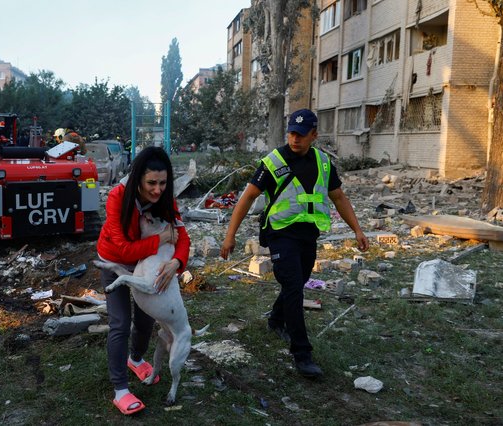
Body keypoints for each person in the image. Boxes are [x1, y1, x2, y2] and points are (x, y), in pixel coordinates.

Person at [220, 108, 369, 378]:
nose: (294, 139)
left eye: (300, 134)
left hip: (308, 235)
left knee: (296, 283)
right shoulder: (274, 161)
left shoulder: (323, 163)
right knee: (293, 287)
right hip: (280, 234)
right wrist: (230, 235)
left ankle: (276, 319)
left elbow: (338, 198)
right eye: (291, 133)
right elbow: (247, 198)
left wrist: (357, 230)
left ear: (314, 135)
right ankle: (302, 354)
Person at [96, 146, 190, 415]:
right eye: (151, 183)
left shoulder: (164, 198)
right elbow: (123, 249)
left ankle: (135, 359)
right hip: (115, 262)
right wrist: (159, 240)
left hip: (145, 263)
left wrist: (176, 263)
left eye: (163, 183)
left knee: (147, 320)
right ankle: (121, 390)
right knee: (120, 322)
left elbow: (182, 236)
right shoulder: (117, 197)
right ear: (138, 178)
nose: (158, 189)